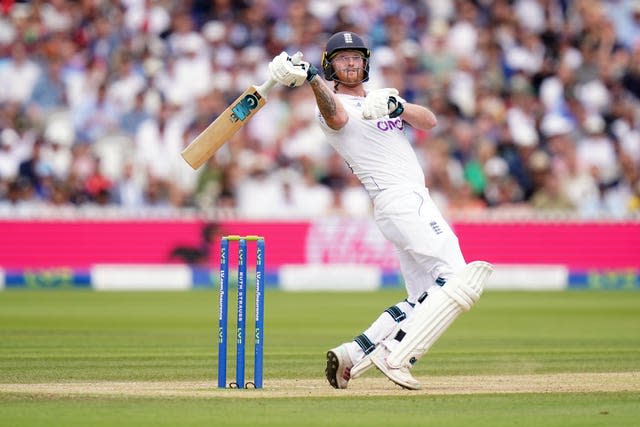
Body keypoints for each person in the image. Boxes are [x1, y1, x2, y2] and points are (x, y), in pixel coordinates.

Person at [267, 32, 493, 390]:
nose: (351, 63)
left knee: (423, 296)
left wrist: (398, 107)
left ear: (366, 62)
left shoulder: (379, 99)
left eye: (356, 57)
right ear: (330, 65)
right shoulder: (329, 107)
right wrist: (312, 78)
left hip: (406, 202)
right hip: (401, 199)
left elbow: (429, 121)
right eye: (342, 58)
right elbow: (337, 117)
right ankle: (397, 355)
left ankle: (353, 354)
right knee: (458, 279)